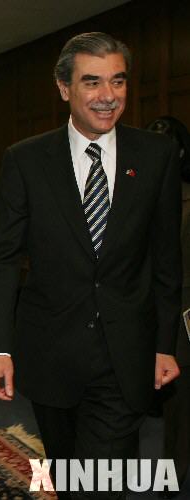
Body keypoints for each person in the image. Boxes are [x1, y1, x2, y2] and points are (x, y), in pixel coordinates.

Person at [0, 32, 181, 499]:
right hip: (50, 352)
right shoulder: (26, 160)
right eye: (92, 82)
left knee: (103, 478)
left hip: (125, 354)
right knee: (69, 472)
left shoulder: (156, 155)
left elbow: (167, 259)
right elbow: (3, 260)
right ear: (64, 88)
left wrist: (165, 344)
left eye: (118, 81)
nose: (108, 95)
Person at [146, 116, 190, 498]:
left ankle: (172, 476)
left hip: (184, 312)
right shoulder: (136, 193)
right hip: (143, 309)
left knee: (179, 400)